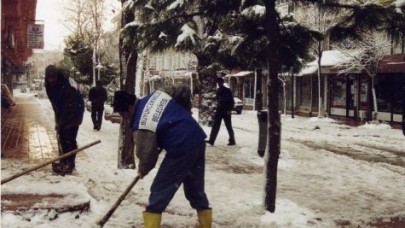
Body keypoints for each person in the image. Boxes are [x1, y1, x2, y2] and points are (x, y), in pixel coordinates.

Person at [112, 86, 211, 228]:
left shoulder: (142, 123)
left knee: (160, 189)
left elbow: (147, 154)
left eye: (123, 114)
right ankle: (205, 224)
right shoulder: (155, 96)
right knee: (195, 188)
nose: (124, 119)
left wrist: (143, 169)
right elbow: (181, 91)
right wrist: (181, 113)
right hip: (196, 138)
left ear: (129, 108)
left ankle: (152, 222)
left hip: (180, 147)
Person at [45, 65, 84, 175]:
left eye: (53, 78)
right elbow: (55, 105)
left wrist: (61, 123)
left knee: (69, 137)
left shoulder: (67, 86)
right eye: (49, 78)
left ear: (57, 76)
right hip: (63, 111)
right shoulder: (49, 85)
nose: (51, 80)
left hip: (76, 111)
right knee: (61, 136)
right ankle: (63, 161)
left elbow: (69, 107)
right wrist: (57, 121)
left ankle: (70, 163)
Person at [206, 77, 236, 146]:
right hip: (220, 110)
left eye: (220, 82)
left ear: (222, 83)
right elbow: (217, 100)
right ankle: (211, 140)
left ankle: (232, 140)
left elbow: (231, 101)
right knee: (216, 126)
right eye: (218, 83)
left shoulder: (227, 90)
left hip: (225, 110)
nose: (219, 84)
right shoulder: (219, 90)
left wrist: (229, 110)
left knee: (228, 126)